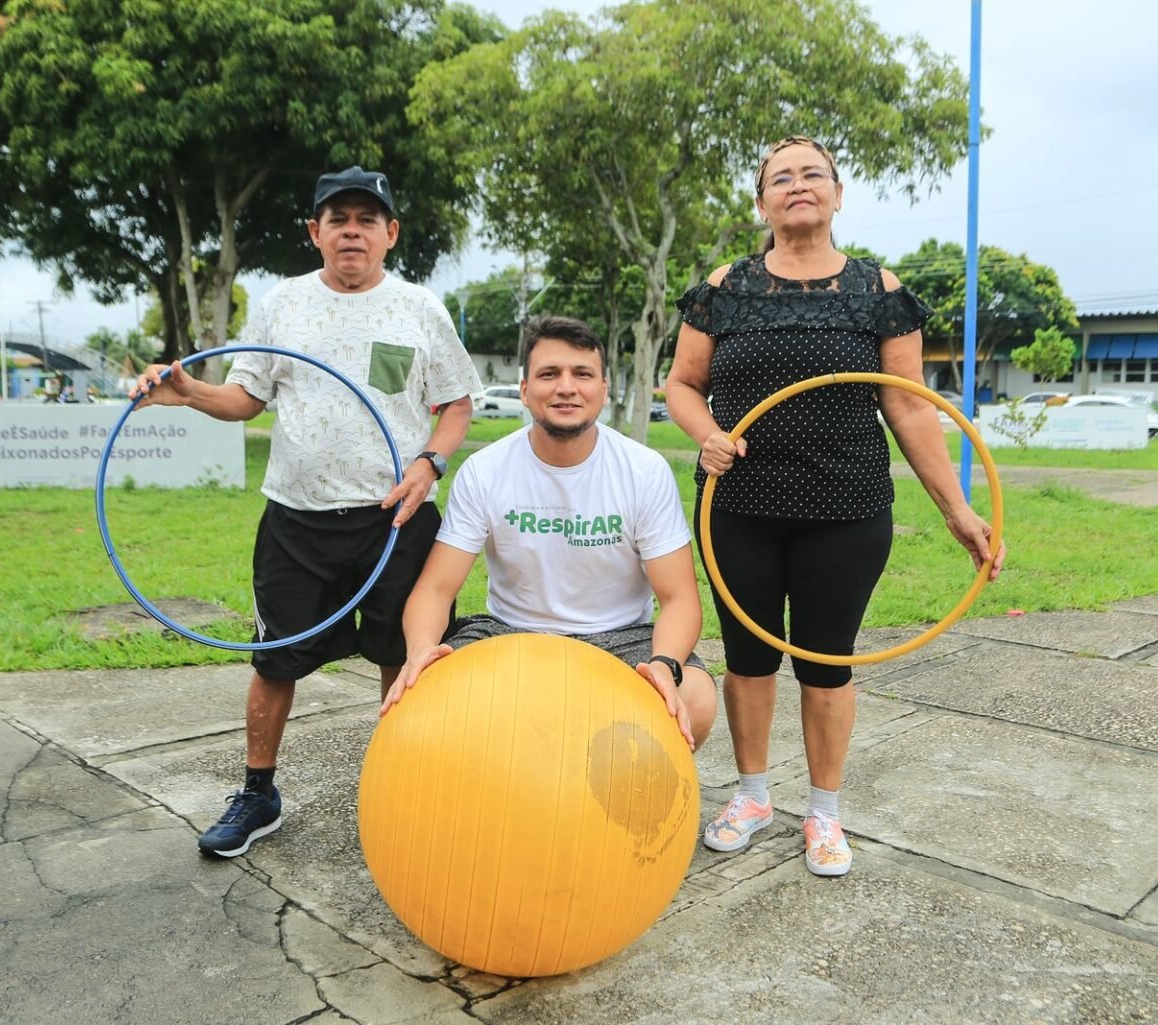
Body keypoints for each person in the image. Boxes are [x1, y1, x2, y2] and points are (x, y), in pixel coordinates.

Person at [664, 136, 1005, 876]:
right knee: (750, 658)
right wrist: (709, 434)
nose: (797, 185)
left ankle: (823, 812)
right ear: (762, 202)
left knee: (827, 662)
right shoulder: (724, 285)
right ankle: (753, 796)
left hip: (846, 508)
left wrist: (957, 511)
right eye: (779, 178)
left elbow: (909, 407)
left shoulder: (878, 291)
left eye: (812, 174)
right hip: (739, 505)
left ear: (838, 194)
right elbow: (682, 384)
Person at [130, 166, 482, 858]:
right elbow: (245, 399)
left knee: (402, 654)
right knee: (274, 661)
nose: (353, 230)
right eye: (339, 218)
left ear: (391, 233)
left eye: (367, 219)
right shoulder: (281, 303)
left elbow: (457, 403)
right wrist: (188, 391)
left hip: (397, 518)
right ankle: (259, 791)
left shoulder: (419, 308)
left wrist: (429, 461)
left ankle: (399, 784)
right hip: (297, 519)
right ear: (315, 232)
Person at [381, 315, 716, 751]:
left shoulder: (644, 470)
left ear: (603, 388)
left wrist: (665, 663)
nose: (566, 387)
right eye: (548, 374)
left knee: (695, 695)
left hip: (619, 636)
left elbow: (680, 599)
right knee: (431, 691)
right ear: (524, 391)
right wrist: (422, 648)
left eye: (582, 374)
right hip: (510, 632)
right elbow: (436, 589)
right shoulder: (485, 470)